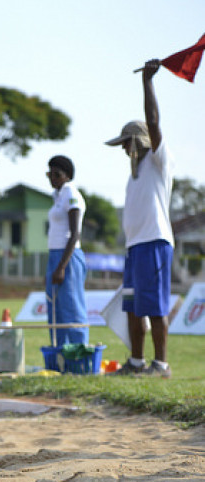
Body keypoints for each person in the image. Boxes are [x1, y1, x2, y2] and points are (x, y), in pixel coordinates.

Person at [105, 59, 174, 378]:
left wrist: (147, 82)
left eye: (126, 143)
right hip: (136, 249)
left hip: (155, 245)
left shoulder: (158, 162)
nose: (123, 149)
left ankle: (160, 365)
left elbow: (154, 122)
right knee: (132, 306)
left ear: (140, 141)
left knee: (155, 306)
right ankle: (136, 362)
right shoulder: (133, 175)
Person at [45, 155, 88, 347]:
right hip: (55, 254)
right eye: (50, 174)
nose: (52, 178)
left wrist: (62, 266)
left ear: (67, 176)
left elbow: (75, 233)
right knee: (55, 307)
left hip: (68, 257)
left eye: (57, 174)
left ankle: (79, 352)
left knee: (72, 307)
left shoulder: (71, 192)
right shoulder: (58, 196)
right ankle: (60, 353)